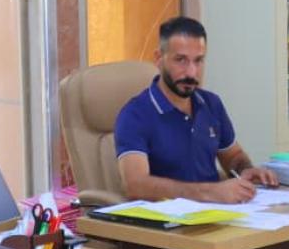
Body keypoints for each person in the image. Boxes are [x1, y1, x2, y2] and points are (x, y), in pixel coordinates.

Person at [114, 17, 280, 203]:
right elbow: (135, 185)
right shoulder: (135, 114)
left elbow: (233, 156)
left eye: (199, 61)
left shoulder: (211, 103)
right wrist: (210, 192)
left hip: (218, 213)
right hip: (166, 218)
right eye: (181, 60)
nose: (191, 73)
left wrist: (245, 169)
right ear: (159, 58)